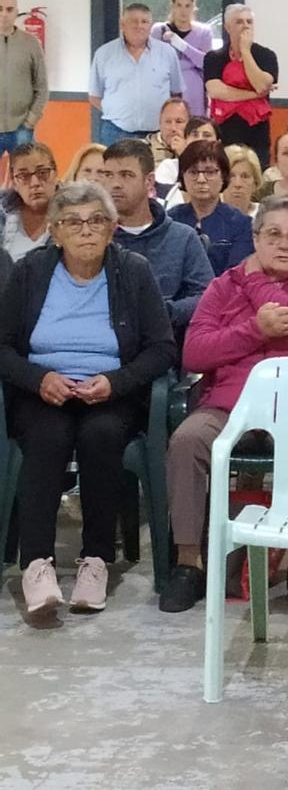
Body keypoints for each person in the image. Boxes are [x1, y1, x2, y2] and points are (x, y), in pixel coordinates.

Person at [159, 196, 288, 614]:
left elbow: (287, 311)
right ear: (255, 238)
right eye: (273, 234)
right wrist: (253, 330)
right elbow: (194, 352)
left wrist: (253, 282)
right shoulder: (222, 286)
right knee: (187, 440)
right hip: (230, 406)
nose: (283, 244)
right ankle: (189, 563)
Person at [0, 181, 175, 615]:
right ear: (55, 232)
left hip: (110, 390)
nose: (85, 231)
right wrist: (38, 378)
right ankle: (36, 563)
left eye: (96, 220)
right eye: (72, 222)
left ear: (113, 228)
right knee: (47, 437)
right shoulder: (30, 272)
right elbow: (2, 346)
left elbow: (163, 348)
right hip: (44, 389)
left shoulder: (133, 271)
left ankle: (95, 560)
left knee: (100, 436)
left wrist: (116, 382)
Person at [102, 138, 213, 331]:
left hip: (166, 339)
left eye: (126, 175)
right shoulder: (93, 236)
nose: (115, 184)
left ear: (149, 181)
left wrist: (162, 313)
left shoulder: (183, 237)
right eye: (108, 175)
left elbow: (206, 295)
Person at [89, 3, 184, 145]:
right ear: (122, 24)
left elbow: (176, 93)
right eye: (133, 21)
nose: (139, 26)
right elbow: (94, 96)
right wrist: (116, 112)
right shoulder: (104, 54)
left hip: (157, 133)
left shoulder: (167, 53)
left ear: (150, 26)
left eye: (144, 22)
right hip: (115, 131)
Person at [205, 4, 278, 169]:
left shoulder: (266, 56)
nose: (245, 26)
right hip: (225, 135)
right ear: (227, 27)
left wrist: (246, 52)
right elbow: (216, 91)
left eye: (249, 22)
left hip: (257, 136)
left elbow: (261, 84)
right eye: (239, 22)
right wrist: (254, 95)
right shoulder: (214, 57)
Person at [167, 140, 255, 277]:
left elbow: (236, 276)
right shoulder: (169, 221)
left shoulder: (243, 225)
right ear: (182, 177)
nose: (201, 179)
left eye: (210, 172)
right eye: (193, 172)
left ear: (224, 176)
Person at [150, 0, 213, 119]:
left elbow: (205, 62)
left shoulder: (204, 32)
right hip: (165, 88)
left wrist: (182, 45)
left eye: (187, 6)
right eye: (179, 5)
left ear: (193, 7)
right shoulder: (159, 30)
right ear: (172, 6)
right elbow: (153, 61)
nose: (183, 10)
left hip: (193, 90)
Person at [0, 0, 49, 160]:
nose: (4, 14)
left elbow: (41, 86)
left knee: (27, 180)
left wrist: (30, 121)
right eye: (0, 9)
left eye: (9, 9)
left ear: (16, 12)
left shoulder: (30, 43)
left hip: (21, 128)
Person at [1, 141, 56, 262]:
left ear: (55, 175)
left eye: (42, 173)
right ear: (14, 183)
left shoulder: (73, 213)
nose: (35, 183)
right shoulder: (2, 213)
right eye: (23, 176)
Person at [147, 98, 191, 166]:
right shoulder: (144, 149)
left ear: (189, 124)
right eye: (168, 122)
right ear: (160, 124)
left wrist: (185, 155)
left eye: (179, 122)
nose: (173, 128)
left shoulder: (196, 148)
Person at [223, 145, 262, 217]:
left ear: (255, 184)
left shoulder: (266, 216)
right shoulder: (207, 215)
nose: (238, 184)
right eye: (231, 176)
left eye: (245, 176)